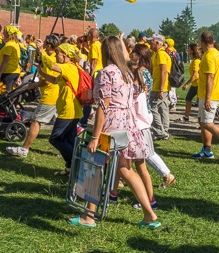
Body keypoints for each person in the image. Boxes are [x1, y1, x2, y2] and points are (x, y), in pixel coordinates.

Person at [69, 36, 159, 229]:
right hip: (128, 122)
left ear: (105, 52)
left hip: (111, 123)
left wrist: (95, 136)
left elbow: (103, 106)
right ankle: (149, 213)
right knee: (126, 169)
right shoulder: (126, 73)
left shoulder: (105, 73)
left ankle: (88, 216)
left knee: (94, 165)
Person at [129, 45, 176, 190]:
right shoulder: (145, 71)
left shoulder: (140, 73)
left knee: (147, 151)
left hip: (141, 115)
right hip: (143, 113)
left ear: (139, 55)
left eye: (133, 52)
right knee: (139, 151)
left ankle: (167, 175)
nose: (130, 54)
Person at [7, 34, 61, 157]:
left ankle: (24, 148)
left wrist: (34, 86)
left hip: (50, 95)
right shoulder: (53, 57)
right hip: (56, 95)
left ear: (48, 45)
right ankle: (67, 150)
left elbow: (48, 80)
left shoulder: (50, 58)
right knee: (61, 123)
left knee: (36, 121)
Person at [38, 42, 83, 176]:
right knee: (70, 140)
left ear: (65, 55)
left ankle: (79, 163)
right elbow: (54, 80)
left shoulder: (69, 67)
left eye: (58, 53)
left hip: (69, 111)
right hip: (72, 110)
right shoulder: (69, 69)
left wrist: (41, 52)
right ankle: (71, 169)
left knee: (55, 138)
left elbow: (52, 66)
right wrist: (41, 72)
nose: (56, 56)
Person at [191, 31, 219, 160]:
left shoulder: (210, 55)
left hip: (210, 94)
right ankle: (207, 150)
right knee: (202, 121)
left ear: (201, 41)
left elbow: (210, 77)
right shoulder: (215, 52)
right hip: (206, 94)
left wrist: (208, 98)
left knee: (208, 123)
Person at [148, 34, 172, 141]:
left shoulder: (161, 54)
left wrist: (160, 89)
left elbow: (164, 71)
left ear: (157, 43)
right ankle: (164, 131)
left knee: (152, 108)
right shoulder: (157, 54)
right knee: (163, 109)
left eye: (151, 41)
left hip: (159, 86)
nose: (149, 43)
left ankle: (159, 132)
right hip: (162, 86)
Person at [78, 28, 102, 131]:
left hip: (95, 73)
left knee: (88, 97)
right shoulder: (100, 45)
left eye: (88, 34)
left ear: (92, 35)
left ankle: (83, 121)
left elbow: (94, 62)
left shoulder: (94, 46)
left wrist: (90, 76)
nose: (86, 36)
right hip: (101, 72)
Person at [0, 25, 22, 92]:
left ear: (8, 34)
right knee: (10, 94)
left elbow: (5, 60)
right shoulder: (15, 44)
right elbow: (3, 54)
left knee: (4, 94)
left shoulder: (9, 45)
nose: (3, 33)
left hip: (8, 72)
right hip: (15, 72)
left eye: (4, 32)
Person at [178, 43, 201, 122]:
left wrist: (187, 84)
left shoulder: (196, 61)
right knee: (188, 99)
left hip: (199, 85)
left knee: (203, 104)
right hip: (194, 85)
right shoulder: (194, 60)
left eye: (188, 49)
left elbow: (195, 75)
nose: (187, 50)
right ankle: (186, 117)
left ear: (192, 50)